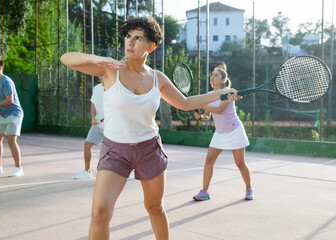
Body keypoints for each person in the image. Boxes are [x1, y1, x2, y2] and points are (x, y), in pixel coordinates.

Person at [60, 17, 240, 239]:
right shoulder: (109, 70)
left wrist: (218, 94)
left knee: (155, 208)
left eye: (138, 38)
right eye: (128, 37)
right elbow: (66, 58)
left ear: (151, 46)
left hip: (149, 150)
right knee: (99, 213)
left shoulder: (157, 78)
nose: (130, 43)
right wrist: (100, 59)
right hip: (115, 151)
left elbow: (184, 103)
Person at [193, 64, 254, 201]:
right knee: (209, 161)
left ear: (223, 80)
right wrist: (201, 117)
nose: (212, 77)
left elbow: (220, 110)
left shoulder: (227, 92)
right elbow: (207, 116)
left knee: (240, 163)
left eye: (216, 75)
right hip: (220, 133)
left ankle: (249, 188)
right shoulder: (209, 95)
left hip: (234, 131)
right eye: (212, 75)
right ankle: (204, 192)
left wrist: (201, 105)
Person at [75, 81, 105, 180]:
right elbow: (93, 104)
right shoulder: (97, 88)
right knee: (87, 144)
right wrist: (93, 118)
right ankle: (87, 171)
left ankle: (129, 171)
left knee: (115, 149)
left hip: (112, 125)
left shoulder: (115, 87)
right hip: (98, 123)